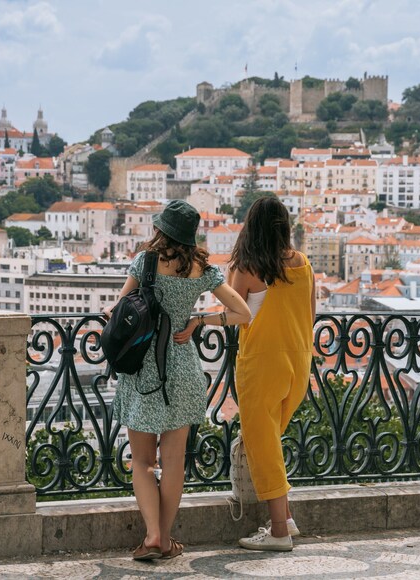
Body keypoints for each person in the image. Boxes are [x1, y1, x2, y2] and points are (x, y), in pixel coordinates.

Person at [108, 199, 251, 562]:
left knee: (143, 462)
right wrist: (200, 321)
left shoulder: (145, 262)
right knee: (173, 463)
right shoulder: (202, 269)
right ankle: (167, 538)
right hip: (183, 369)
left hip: (144, 369)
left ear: (160, 229)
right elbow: (242, 312)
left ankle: (153, 535)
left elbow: (119, 308)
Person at [228, 195, 315, 551]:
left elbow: (232, 313)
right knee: (271, 442)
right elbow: (310, 314)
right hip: (298, 363)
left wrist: (199, 321)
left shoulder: (248, 267)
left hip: (262, 364)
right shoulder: (303, 264)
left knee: (262, 445)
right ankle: (287, 518)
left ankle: (279, 531)